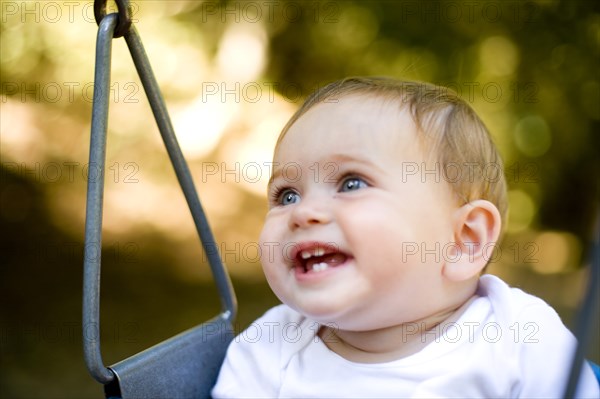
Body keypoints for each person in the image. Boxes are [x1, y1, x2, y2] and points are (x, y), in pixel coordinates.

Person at [211, 77, 599, 398]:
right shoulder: (269, 346)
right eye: (287, 194)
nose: (302, 212)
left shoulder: (519, 338)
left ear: (464, 239)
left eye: (351, 183)